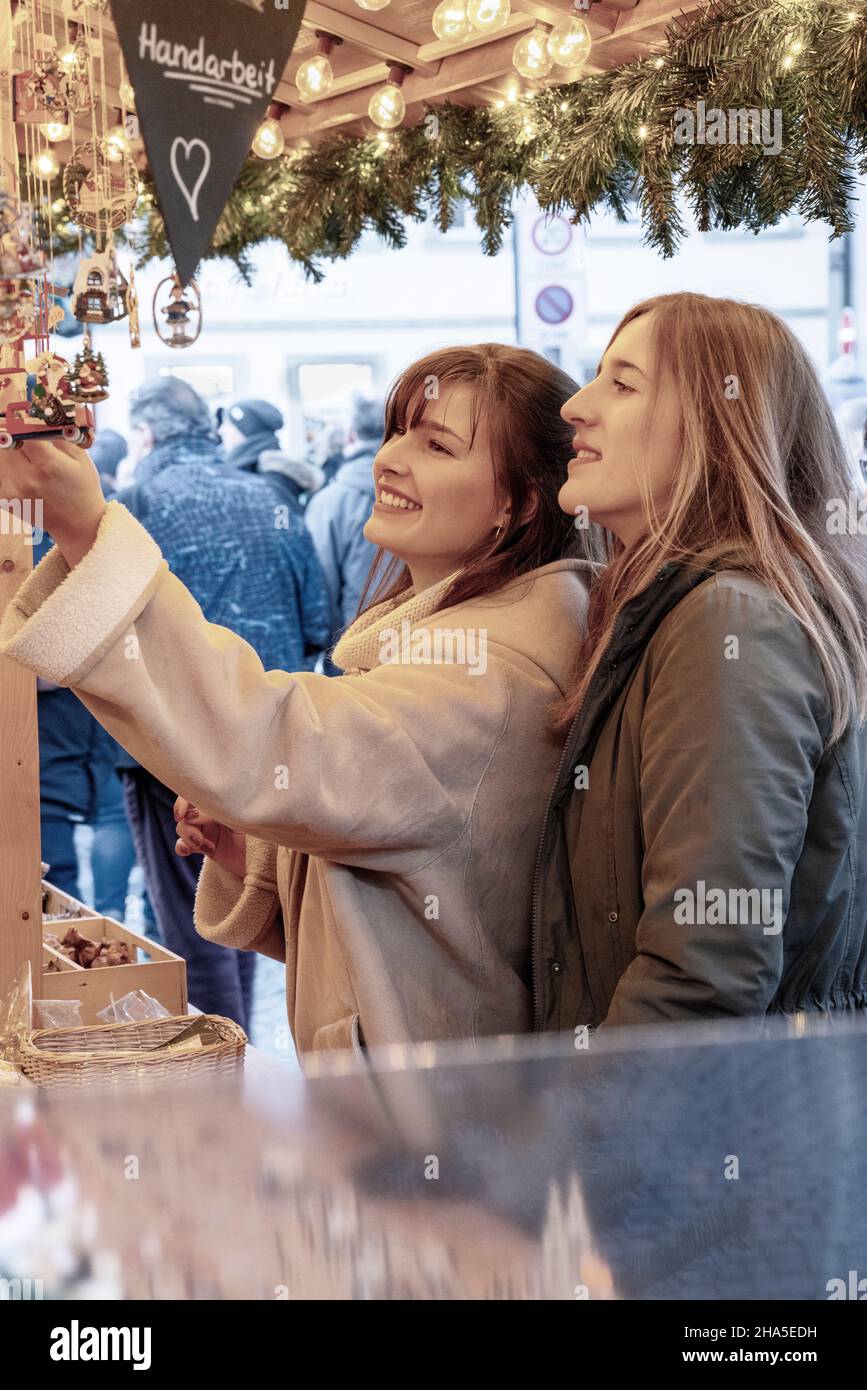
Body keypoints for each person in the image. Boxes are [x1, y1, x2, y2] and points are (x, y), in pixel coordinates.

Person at [0, 345, 600, 1061]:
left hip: (431, 1125)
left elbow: (272, 739)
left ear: (520, 502)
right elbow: (409, 878)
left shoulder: (492, 676)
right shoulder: (468, 639)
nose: (390, 460)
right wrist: (264, 854)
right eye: (396, 432)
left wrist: (86, 530)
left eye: (437, 445)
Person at [534, 292, 867, 1030]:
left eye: (622, 384)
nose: (575, 407)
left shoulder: (729, 620)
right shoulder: (686, 604)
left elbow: (702, 973)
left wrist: (592, 1129)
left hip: (707, 1127)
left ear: (720, 425)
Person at [98, 375, 330, 1030]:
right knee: (246, 896)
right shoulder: (268, 497)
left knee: (190, 919)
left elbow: (108, 631)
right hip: (268, 737)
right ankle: (242, 1051)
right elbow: (318, 622)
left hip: (168, 745)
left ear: (144, 433)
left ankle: (219, 1076)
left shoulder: (135, 502)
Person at [305, 393, 387, 655]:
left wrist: (330, 649)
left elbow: (321, 586)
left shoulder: (329, 502)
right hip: (426, 643)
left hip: (354, 646)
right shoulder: (432, 489)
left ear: (350, 434)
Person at [219, 398, 325, 515]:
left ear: (244, 430)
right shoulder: (246, 469)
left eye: (227, 424)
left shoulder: (275, 479)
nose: (221, 431)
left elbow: (283, 526)